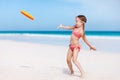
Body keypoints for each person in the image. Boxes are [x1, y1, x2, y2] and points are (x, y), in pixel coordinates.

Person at [58, 15, 96, 79]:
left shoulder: (81, 32)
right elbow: (69, 27)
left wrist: (91, 46)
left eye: (77, 21)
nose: (76, 23)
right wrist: (62, 26)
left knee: (74, 60)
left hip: (76, 47)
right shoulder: (75, 27)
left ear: (82, 23)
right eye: (75, 21)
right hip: (71, 46)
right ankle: (72, 71)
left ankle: (82, 72)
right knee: (68, 60)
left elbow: (85, 40)